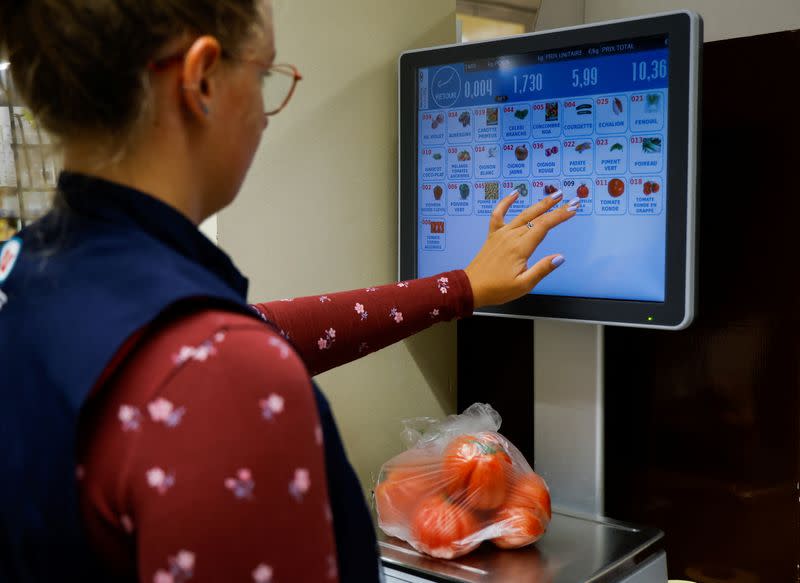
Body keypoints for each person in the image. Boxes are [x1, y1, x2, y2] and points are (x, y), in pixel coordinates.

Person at [0, 1, 578, 581]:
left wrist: (461, 288)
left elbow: (256, 332)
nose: (266, 113)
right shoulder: (223, 377)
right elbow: (228, 360)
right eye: (264, 75)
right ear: (201, 79)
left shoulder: (37, 284)